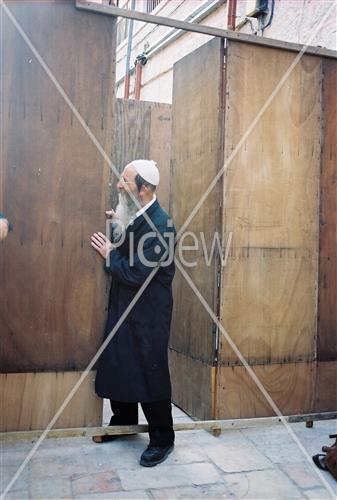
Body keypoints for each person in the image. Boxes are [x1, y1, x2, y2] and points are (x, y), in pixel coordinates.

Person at [90, 159, 176, 467]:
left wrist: (110, 255)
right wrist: (119, 223)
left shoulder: (162, 224)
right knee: (120, 360)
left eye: (124, 181)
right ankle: (124, 422)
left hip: (148, 315)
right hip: (127, 307)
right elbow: (132, 242)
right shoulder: (139, 215)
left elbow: (138, 274)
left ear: (143, 189)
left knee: (149, 369)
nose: (118, 185)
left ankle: (163, 438)